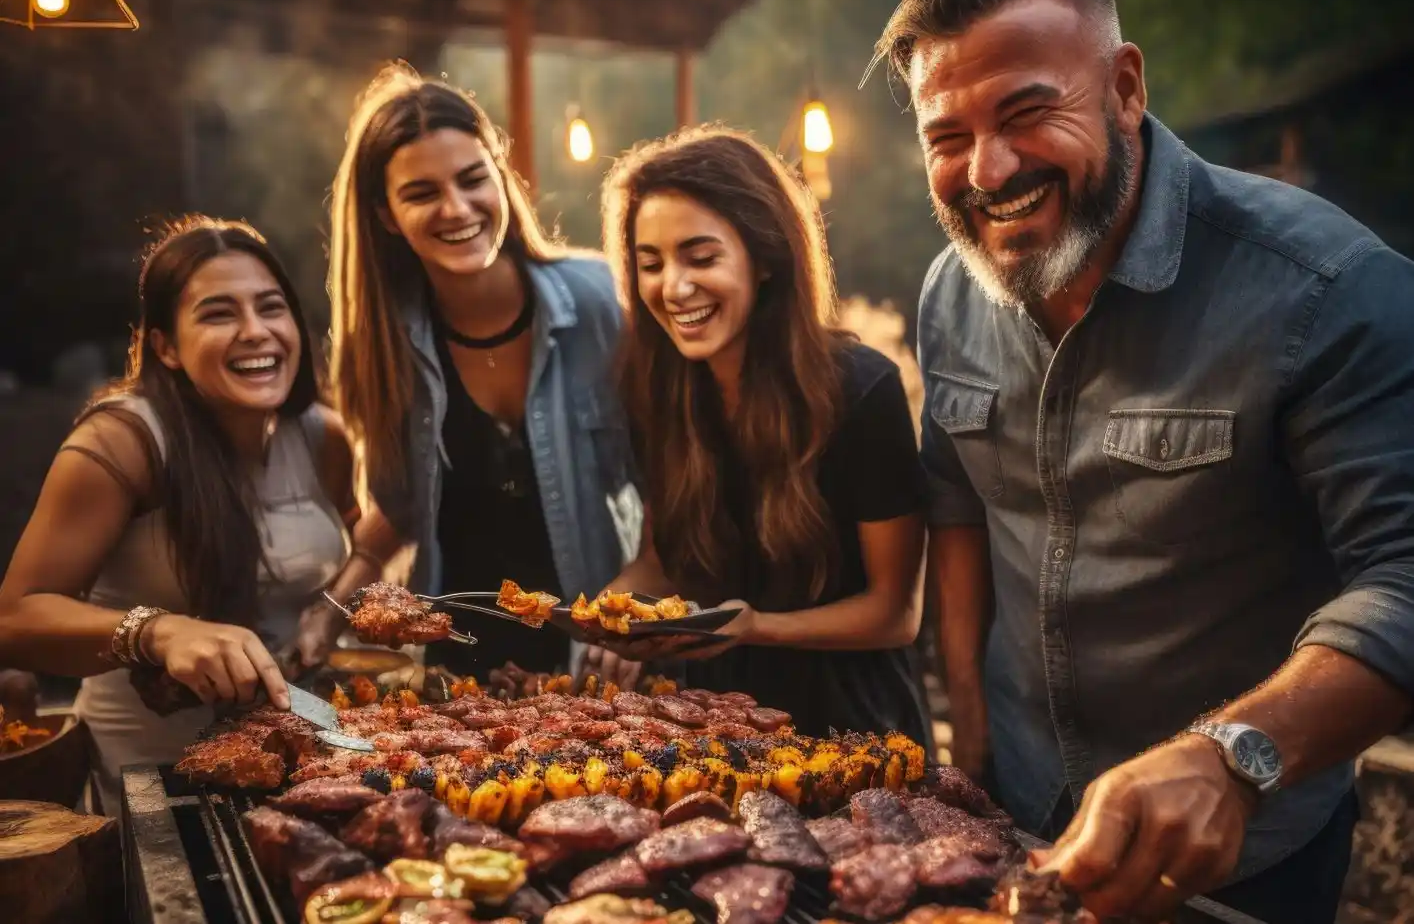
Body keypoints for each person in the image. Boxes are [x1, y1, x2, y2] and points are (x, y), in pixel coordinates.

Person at [873, 0, 1414, 923]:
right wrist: (970, 726)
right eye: (945, 137)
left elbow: (1405, 570)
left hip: (1242, 851)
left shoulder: (1328, 289)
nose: (987, 169)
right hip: (1017, 814)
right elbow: (956, 496)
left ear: (1123, 86)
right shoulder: (949, 293)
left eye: (1026, 111)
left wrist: (1232, 757)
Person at [0, 218, 362, 812]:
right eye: (219, 314)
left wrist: (334, 608)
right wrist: (159, 631)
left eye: (271, 308)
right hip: (151, 784)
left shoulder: (325, 437)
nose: (255, 331)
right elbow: (14, 619)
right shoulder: (123, 441)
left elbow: (360, 547)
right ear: (166, 345)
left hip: (304, 764)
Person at [596, 126, 933, 748]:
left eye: (701, 258)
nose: (673, 287)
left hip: (851, 732)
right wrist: (615, 607)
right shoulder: (656, 390)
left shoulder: (860, 390)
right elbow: (662, 561)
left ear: (767, 258)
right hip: (711, 725)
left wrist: (756, 627)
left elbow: (896, 613)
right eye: (651, 264)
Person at [327, 63, 644, 683]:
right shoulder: (382, 342)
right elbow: (399, 506)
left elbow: (674, 489)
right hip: (457, 679)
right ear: (387, 215)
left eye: (474, 179)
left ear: (501, 174)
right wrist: (328, 607)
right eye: (421, 193)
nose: (457, 208)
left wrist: (627, 613)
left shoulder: (604, 300)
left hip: (598, 665)